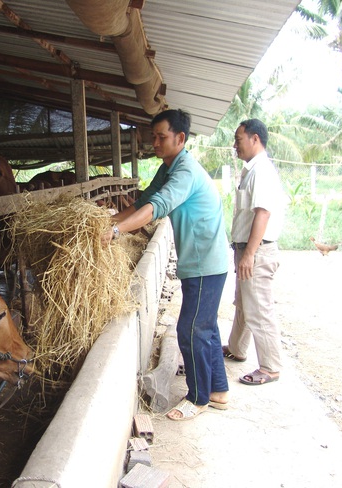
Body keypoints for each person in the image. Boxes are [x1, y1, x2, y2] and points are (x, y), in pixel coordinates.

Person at [102, 109, 229, 420]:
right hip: (201, 261)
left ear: (180, 138)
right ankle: (218, 391)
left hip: (205, 263)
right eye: (153, 137)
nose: (155, 143)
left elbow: (157, 207)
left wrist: (118, 231)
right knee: (206, 326)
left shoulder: (185, 172)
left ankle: (198, 399)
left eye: (161, 137)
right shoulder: (168, 167)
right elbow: (144, 199)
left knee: (190, 329)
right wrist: (106, 221)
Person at [222, 118, 286, 386]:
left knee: (259, 308)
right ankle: (237, 348)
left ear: (255, 139)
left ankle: (270, 367)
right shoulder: (251, 170)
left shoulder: (262, 171)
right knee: (244, 303)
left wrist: (249, 253)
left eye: (238, 139)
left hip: (256, 251)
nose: (235, 145)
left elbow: (263, 214)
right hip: (247, 249)